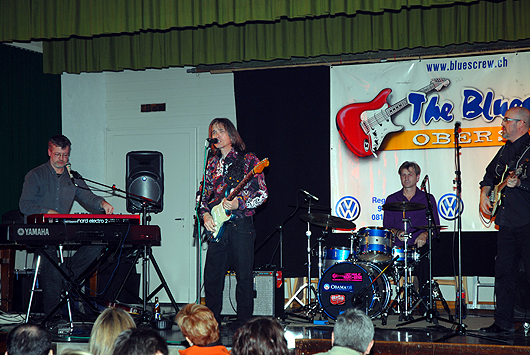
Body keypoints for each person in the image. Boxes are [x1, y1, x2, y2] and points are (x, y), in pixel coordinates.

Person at [19, 134, 114, 316]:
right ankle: (53, 315)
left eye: (65, 155)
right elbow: (24, 205)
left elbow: (88, 197)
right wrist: (48, 211)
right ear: (49, 152)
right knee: (50, 255)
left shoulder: (73, 177)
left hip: (62, 230)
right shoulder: (35, 175)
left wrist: (102, 203)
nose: (62, 159)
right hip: (41, 231)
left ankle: (63, 276)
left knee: (98, 244)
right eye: (57, 155)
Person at [198, 118, 268, 328]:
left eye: (220, 130)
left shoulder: (249, 160)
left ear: (231, 135)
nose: (216, 134)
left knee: (244, 279)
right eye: (213, 131)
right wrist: (205, 215)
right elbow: (201, 194)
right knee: (211, 279)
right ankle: (211, 326)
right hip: (218, 228)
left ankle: (245, 326)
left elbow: (262, 193)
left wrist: (240, 203)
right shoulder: (211, 163)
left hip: (241, 227)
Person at [479, 106, 530, 334]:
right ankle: (503, 322)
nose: (503, 124)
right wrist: (484, 192)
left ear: (521, 124)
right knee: (504, 274)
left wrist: (521, 184)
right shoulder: (504, 151)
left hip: (527, 222)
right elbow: (489, 175)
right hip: (507, 221)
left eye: (507, 120)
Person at [383, 161, 440, 309]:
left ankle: (426, 306)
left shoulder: (428, 199)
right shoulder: (391, 200)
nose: (406, 178)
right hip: (398, 249)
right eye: (403, 175)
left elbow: (435, 227)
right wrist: (397, 233)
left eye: (410, 174)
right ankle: (380, 304)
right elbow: (387, 228)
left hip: (418, 248)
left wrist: (425, 235)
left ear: (417, 177)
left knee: (424, 259)